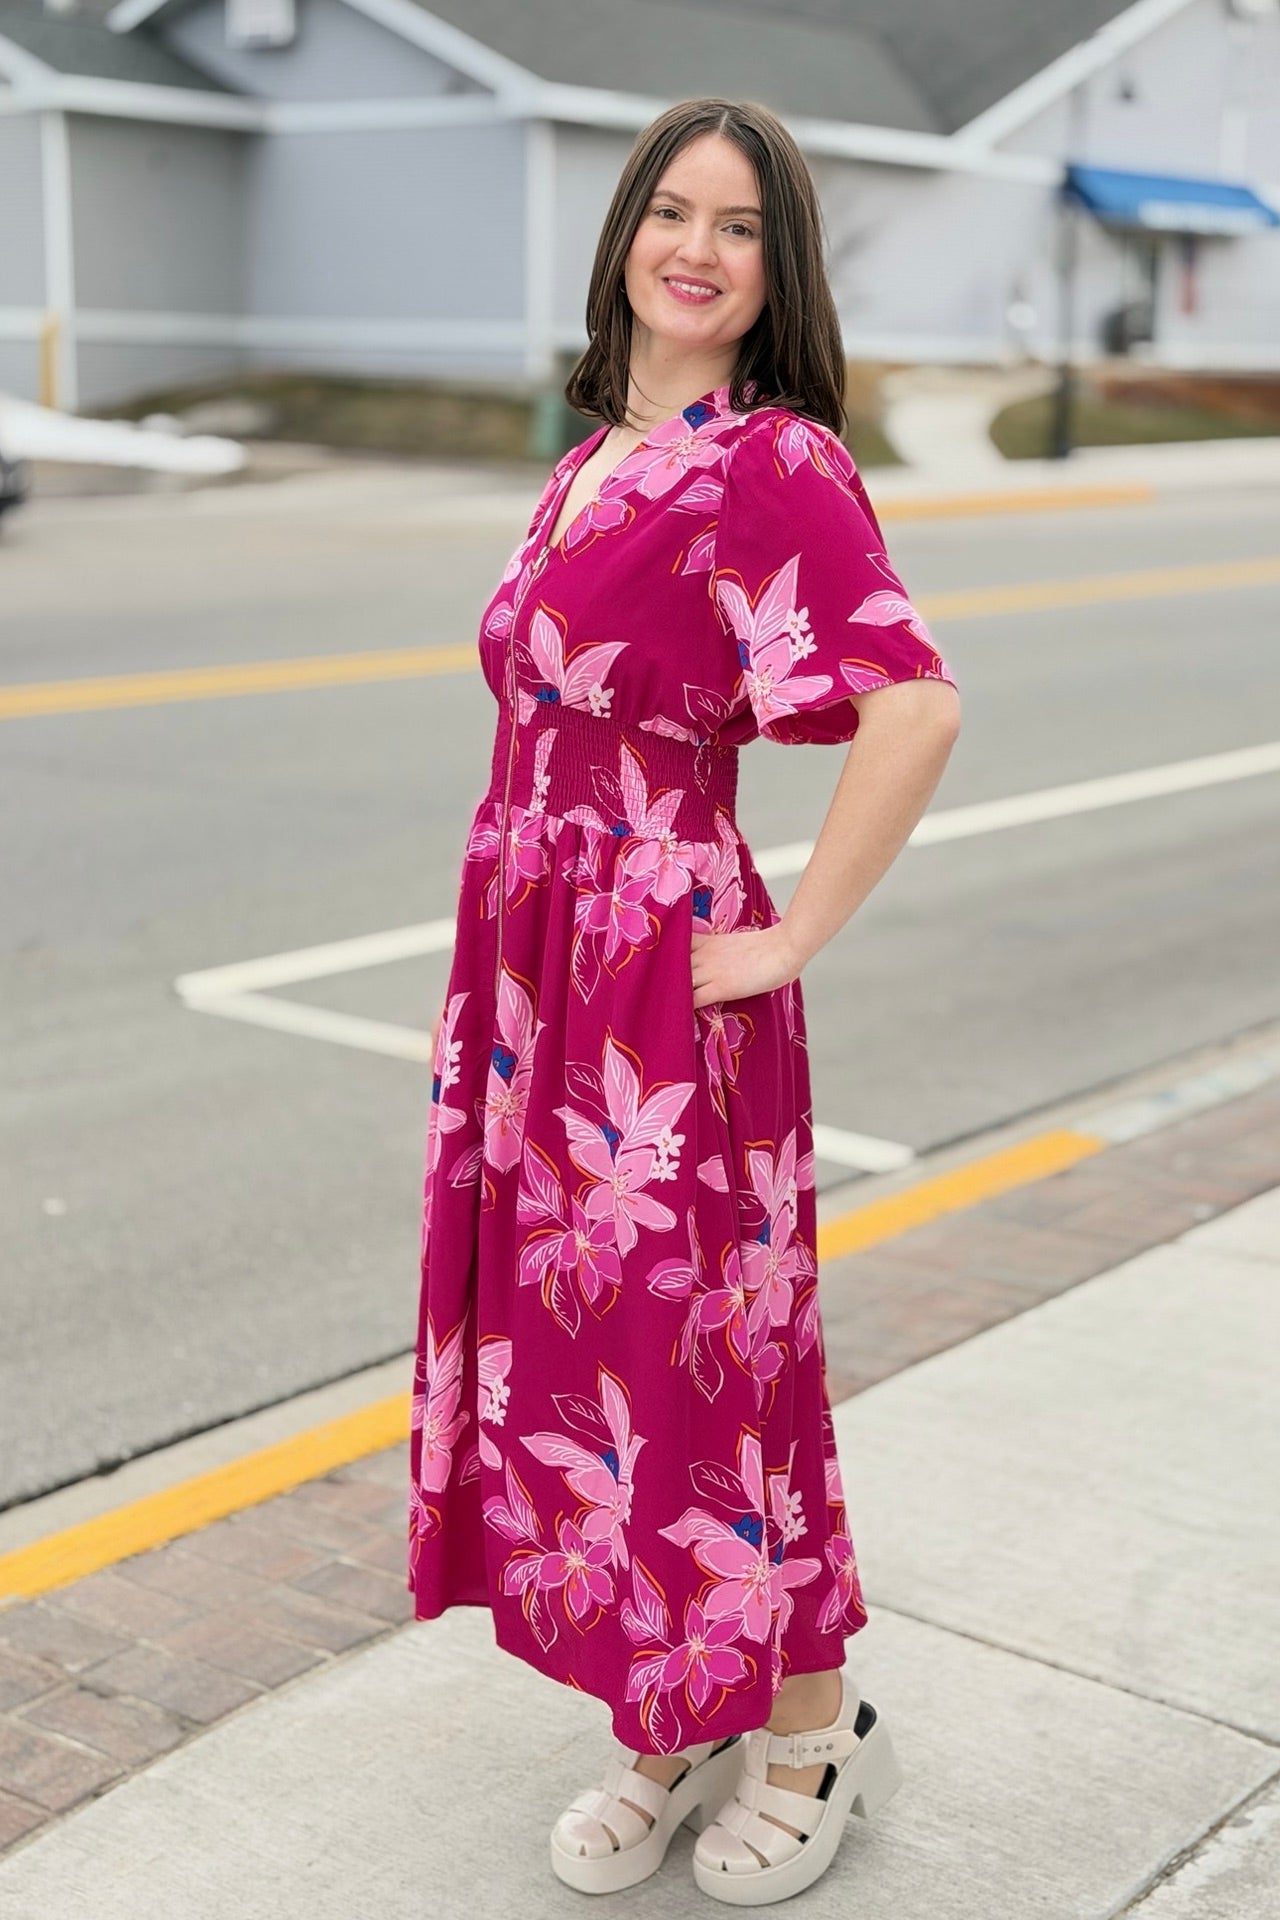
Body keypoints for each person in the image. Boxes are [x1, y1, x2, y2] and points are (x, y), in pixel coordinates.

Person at [408, 96, 961, 1906]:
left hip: (662, 989)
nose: (697, 247)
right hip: (533, 987)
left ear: (772, 268)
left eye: (737, 224)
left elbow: (914, 701)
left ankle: (809, 1729)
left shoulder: (772, 462)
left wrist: (796, 928)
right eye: (671, 210)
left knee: (714, 1365)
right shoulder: (596, 452)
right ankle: (670, 1709)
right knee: (590, 1364)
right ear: (627, 234)